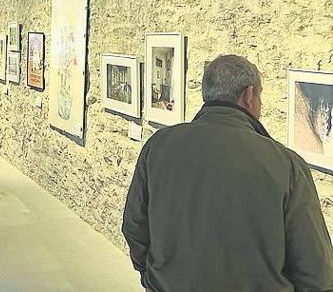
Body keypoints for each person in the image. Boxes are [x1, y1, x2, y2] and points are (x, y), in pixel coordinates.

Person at [122, 54, 333, 292]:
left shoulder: (158, 146)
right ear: (249, 95)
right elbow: (316, 271)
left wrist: (152, 278)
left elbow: (134, 226)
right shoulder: (287, 166)